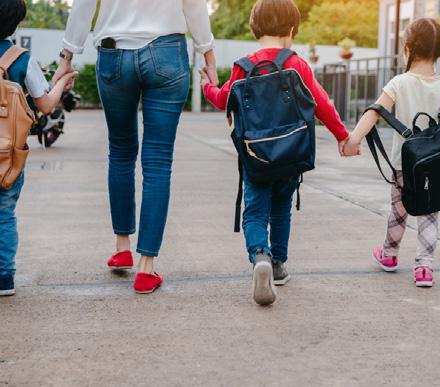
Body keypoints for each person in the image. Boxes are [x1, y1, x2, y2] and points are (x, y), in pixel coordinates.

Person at [53, 0, 217, 294]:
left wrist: (67, 58)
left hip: (114, 53)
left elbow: (84, 5)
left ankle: (122, 247)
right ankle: (146, 267)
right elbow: (193, 5)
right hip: (167, 52)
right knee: (158, 160)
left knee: (120, 152)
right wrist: (208, 54)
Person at [200, 0, 351, 305]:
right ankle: (279, 265)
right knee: (281, 208)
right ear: (291, 30)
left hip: (255, 157)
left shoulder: (244, 66)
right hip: (291, 155)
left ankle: (260, 257)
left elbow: (222, 100)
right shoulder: (296, 64)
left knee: (255, 211)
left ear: (255, 28)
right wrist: (343, 137)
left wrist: (207, 85)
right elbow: (322, 104)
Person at [343, 18, 440, 287]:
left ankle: (389, 255)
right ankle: (424, 269)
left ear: (406, 49)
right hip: (437, 165)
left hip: (403, 164)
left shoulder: (399, 82)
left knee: (399, 211)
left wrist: (354, 140)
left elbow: (374, 110)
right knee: (430, 212)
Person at [0, 0, 77, 296]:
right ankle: (3, 277)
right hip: (7, 154)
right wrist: (62, 82)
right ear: (15, 23)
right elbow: (45, 104)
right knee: (4, 213)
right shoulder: (20, 59)